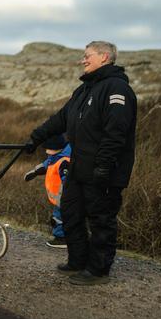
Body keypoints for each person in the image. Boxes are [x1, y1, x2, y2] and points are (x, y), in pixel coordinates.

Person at [24, 41, 137, 285]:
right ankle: (78, 261)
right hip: (79, 167)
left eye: (87, 56)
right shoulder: (83, 90)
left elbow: (116, 133)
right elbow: (60, 119)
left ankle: (98, 271)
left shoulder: (117, 89)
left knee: (101, 219)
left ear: (104, 57)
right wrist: (35, 138)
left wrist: (104, 166)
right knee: (70, 212)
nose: (82, 60)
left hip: (104, 170)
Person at [24, 135, 71, 249]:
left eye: (48, 149)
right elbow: (46, 165)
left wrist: (65, 196)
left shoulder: (64, 162)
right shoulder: (54, 157)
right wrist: (34, 172)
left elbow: (67, 181)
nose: (46, 151)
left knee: (58, 218)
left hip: (63, 198)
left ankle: (61, 239)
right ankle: (66, 237)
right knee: (61, 218)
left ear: (56, 148)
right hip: (58, 198)